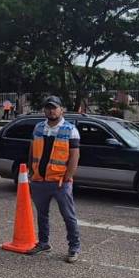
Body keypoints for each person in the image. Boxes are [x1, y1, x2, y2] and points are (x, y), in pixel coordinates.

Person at [26, 96, 81, 263]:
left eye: (54, 107)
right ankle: (43, 243)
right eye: (48, 107)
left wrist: (67, 178)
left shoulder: (70, 129)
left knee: (68, 216)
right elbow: (31, 150)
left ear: (61, 109)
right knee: (42, 214)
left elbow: (74, 156)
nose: (51, 110)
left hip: (59, 182)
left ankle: (74, 248)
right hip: (39, 180)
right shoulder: (38, 128)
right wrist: (31, 171)